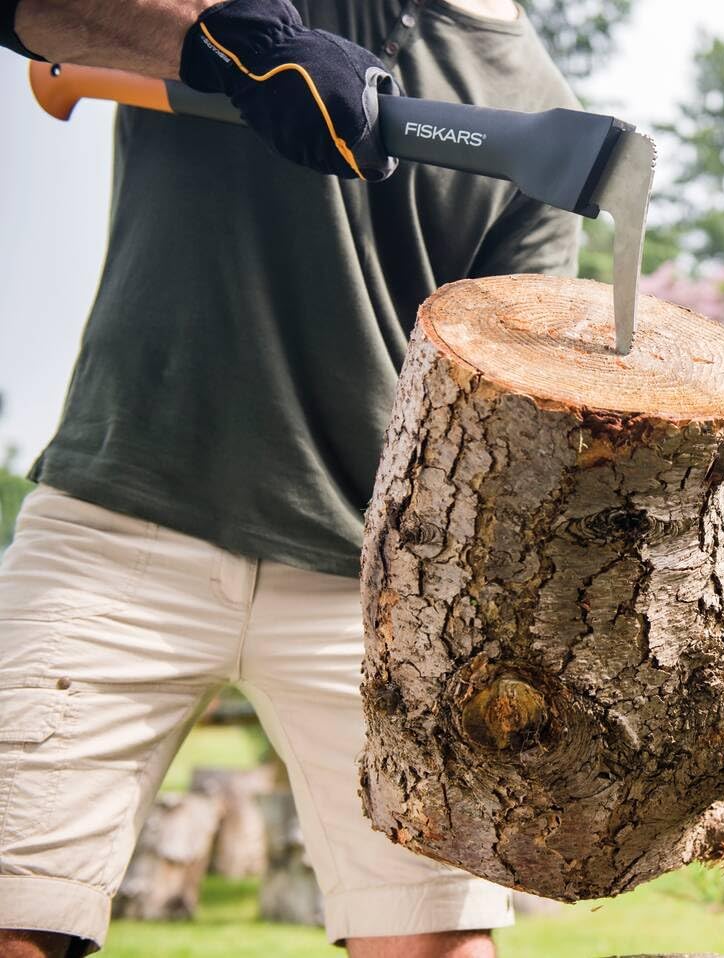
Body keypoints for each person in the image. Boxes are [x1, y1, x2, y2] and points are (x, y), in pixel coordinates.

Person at [0, 1, 582, 955]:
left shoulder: (540, 119)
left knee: (438, 942)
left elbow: (508, 414)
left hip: (374, 590)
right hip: (116, 532)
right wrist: (233, 41)